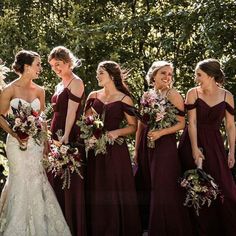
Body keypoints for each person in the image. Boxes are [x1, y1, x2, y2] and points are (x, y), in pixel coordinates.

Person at [0, 50, 71, 235]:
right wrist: (14, 134)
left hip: (36, 144)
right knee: (20, 179)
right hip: (16, 144)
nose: (41, 68)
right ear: (26, 67)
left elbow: (43, 119)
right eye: (38, 64)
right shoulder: (9, 89)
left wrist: (46, 143)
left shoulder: (40, 90)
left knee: (37, 179)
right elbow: (0, 116)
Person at [135, 61, 194, 235]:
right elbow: (140, 124)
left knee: (163, 185)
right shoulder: (146, 95)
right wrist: (137, 150)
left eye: (170, 74)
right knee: (149, 182)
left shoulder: (173, 94)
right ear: (153, 75)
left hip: (164, 145)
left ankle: (165, 228)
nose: (167, 77)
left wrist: (161, 133)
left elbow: (182, 124)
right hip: (147, 144)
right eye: (163, 73)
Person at [178, 58, 236, 236]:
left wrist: (232, 151)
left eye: (199, 75)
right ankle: (197, 229)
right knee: (193, 187)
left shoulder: (227, 96)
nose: (196, 78)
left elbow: (231, 126)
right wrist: (195, 149)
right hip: (192, 141)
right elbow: (192, 122)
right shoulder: (193, 93)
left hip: (215, 144)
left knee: (225, 187)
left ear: (211, 76)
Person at [84, 60, 142, 236]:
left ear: (111, 75)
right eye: (97, 73)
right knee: (97, 185)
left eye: (100, 73)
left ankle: (118, 229)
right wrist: (91, 133)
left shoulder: (124, 98)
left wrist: (117, 132)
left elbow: (134, 127)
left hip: (116, 149)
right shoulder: (93, 95)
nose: (97, 76)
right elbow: (86, 120)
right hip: (96, 149)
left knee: (114, 186)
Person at [48, 46, 86, 236]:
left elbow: (72, 112)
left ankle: (72, 222)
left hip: (69, 132)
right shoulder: (59, 85)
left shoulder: (76, 82)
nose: (56, 68)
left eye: (59, 64)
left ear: (69, 63)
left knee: (69, 175)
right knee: (56, 175)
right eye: (53, 66)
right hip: (55, 131)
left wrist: (66, 136)